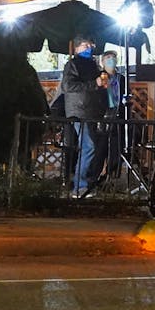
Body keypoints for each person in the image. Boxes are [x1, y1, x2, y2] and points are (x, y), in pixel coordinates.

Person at [60, 38, 107, 195]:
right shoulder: (72, 65)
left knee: (90, 146)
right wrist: (95, 84)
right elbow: (68, 86)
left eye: (91, 45)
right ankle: (79, 185)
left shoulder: (92, 64)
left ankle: (82, 182)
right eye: (85, 45)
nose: (90, 48)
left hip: (90, 111)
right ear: (77, 48)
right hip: (79, 112)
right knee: (89, 146)